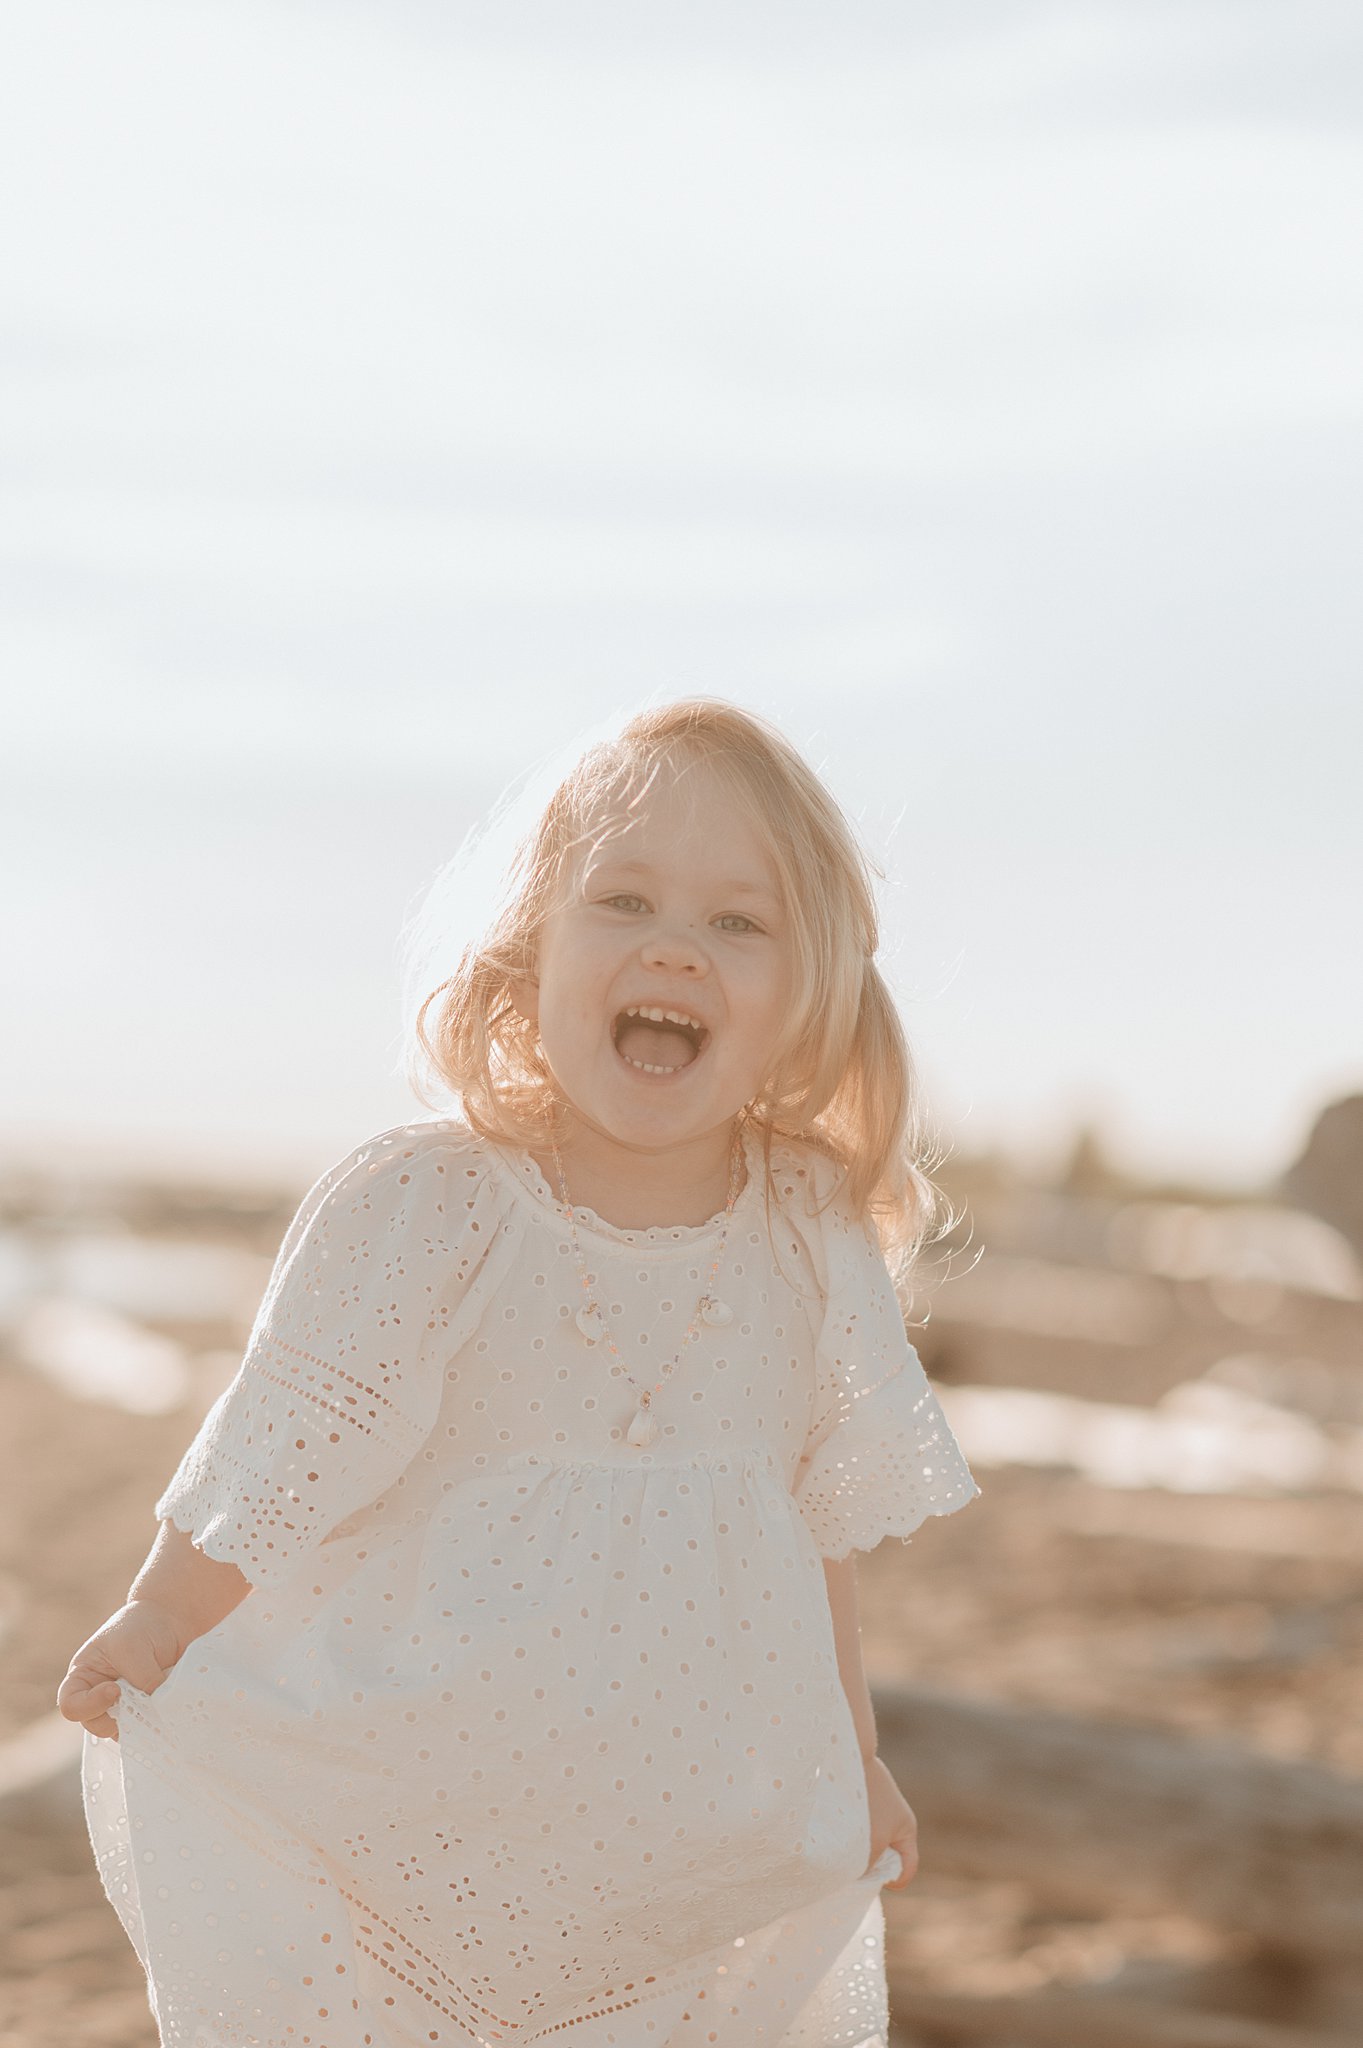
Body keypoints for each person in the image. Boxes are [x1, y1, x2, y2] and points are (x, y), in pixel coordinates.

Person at [59, 697, 980, 2047]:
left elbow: (812, 1524)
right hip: (424, 1770)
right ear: (526, 957)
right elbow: (283, 1446)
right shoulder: (436, 1206)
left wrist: (857, 1752)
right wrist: (157, 1616)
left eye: (739, 923)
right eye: (624, 901)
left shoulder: (807, 1233)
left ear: (809, 993)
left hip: (677, 1824)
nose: (676, 946)